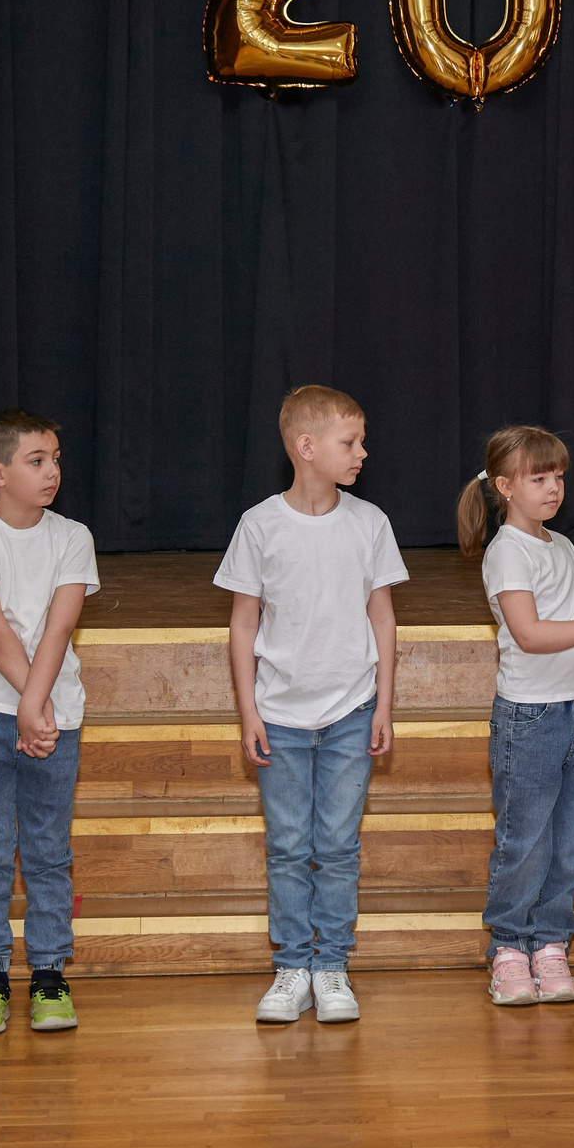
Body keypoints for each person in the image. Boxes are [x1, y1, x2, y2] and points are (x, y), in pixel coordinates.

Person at [217, 385, 409, 1026]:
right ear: (306, 447)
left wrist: (382, 703)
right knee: (290, 845)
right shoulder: (260, 524)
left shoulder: (370, 522)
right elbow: (243, 626)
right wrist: (249, 713)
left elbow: (382, 617)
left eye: (360, 441)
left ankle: (332, 966)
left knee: (338, 843)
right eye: (349, 442)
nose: (362, 452)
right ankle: (292, 965)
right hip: (280, 718)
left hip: (351, 712)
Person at [457, 426, 574, 1007]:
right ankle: (510, 948)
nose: (554, 487)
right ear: (506, 487)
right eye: (539, 478)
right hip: (530, 719)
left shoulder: (562, 546)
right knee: (524, 839)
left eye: (558, 476)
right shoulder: (507, 551)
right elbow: (531, 635)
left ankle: (550, 943)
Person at [0, 409, 100, 1037]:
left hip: (52, 718)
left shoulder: (73, 536)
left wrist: (38, 710)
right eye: (37, 461)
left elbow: (60, 627)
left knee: (47, 851)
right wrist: (28, 704)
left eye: (56, 458)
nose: (53, 471)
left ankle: (47, 975)